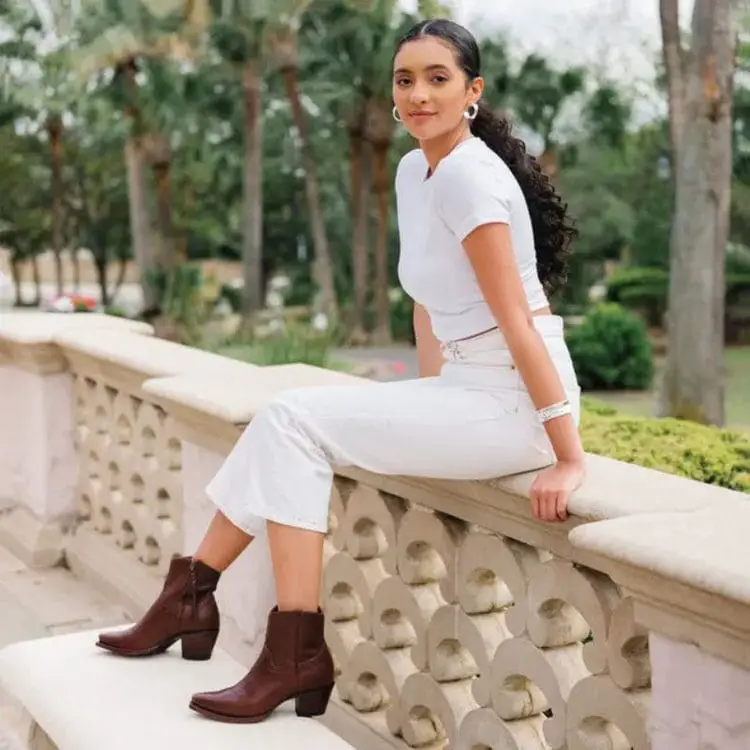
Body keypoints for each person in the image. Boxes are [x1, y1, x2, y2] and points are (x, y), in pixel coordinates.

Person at [96, 17, 585, 725]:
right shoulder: (416, 169)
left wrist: (567, 455)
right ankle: (193, 598)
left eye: (438, 79)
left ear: (472, 92)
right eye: (404, 79)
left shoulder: (472, 181)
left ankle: (272, 639)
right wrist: (427, 397)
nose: (418, 94)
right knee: (283, 423)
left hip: (517, 404)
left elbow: (519, 323)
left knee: (294, 420)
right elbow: (426, 301)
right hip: (468, 391)